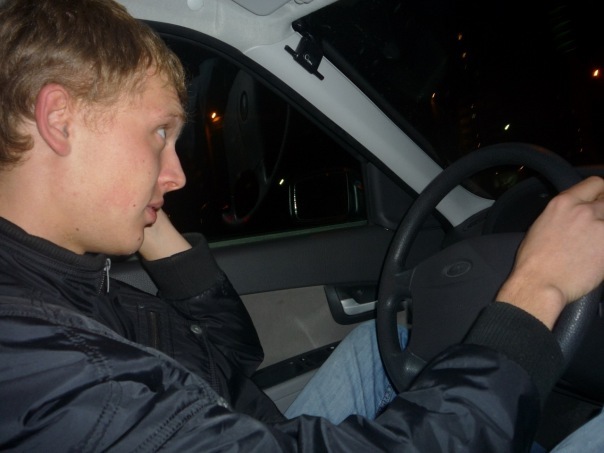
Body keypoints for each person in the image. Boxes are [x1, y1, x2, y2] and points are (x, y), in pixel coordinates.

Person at [0, 0, 603, 451]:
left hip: (249, 428)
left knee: (383, 342)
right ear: (60, 119)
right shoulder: (37, 361)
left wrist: (142, 211)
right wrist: (539, 287)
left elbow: (232, 353)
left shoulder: (64, 277)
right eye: (160, 133)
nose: (176, 174)